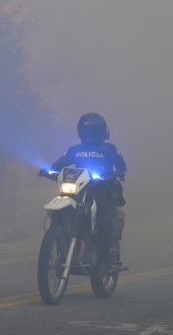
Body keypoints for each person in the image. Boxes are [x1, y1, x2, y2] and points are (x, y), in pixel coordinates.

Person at [46, 112, 127, 267]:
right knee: (59, 211)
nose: (89, 134)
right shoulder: (74, 150)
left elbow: (122, 166)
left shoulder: (109, 149)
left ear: (101, 131)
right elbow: (58, 164)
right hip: (78, 191)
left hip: (104, 193)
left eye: (93, 130)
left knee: (104, 222)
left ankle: (103, 260)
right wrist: (49, 171)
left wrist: (118, 174)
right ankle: (59, 246)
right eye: (86, 130)